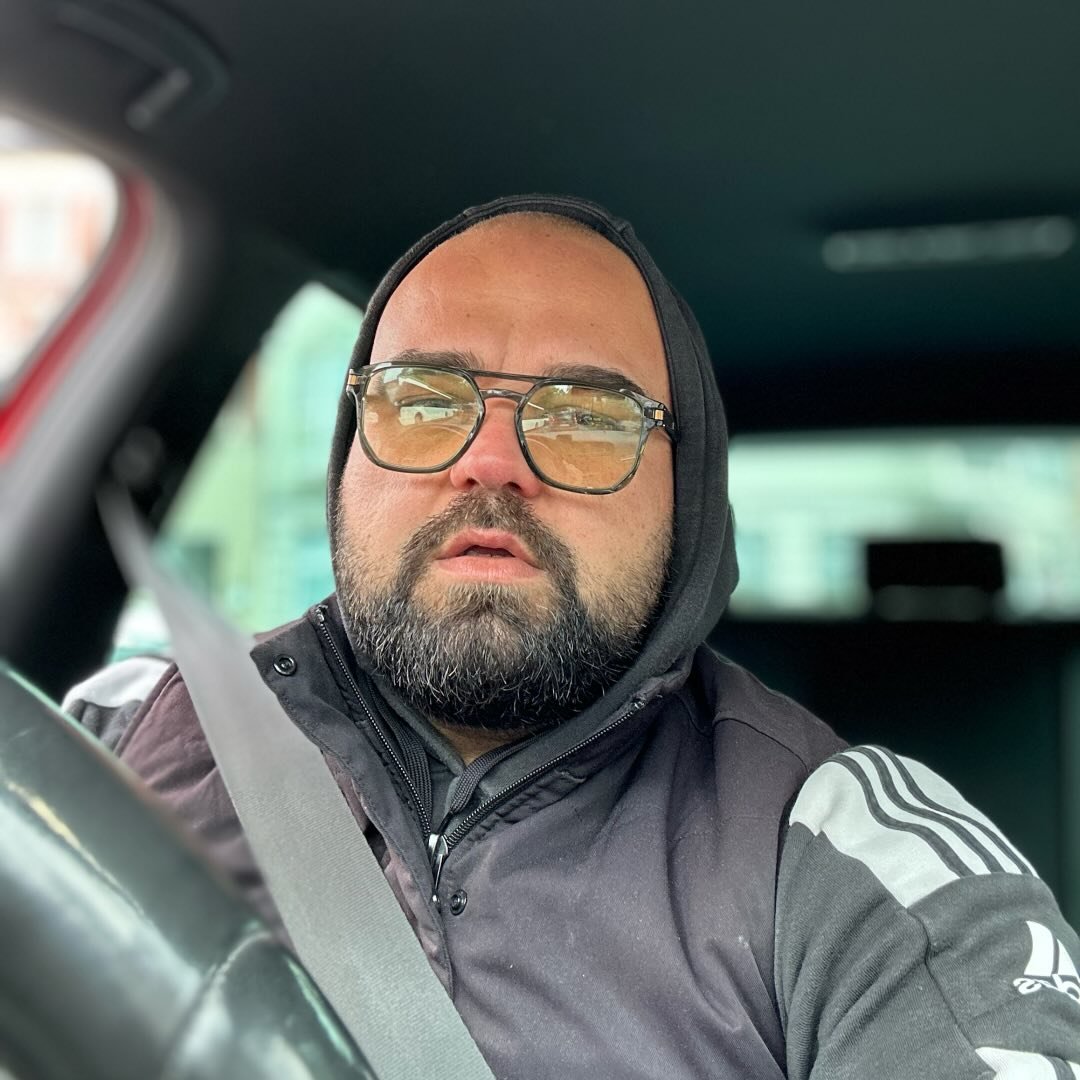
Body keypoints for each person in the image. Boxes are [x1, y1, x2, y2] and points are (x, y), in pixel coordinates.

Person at [71, 194, 1080, 1078]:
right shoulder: (119, 739)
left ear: (687, 499)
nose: (490, 461)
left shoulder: (853, 852)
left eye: (587, 417)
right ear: (349, 456)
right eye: (422, 400)